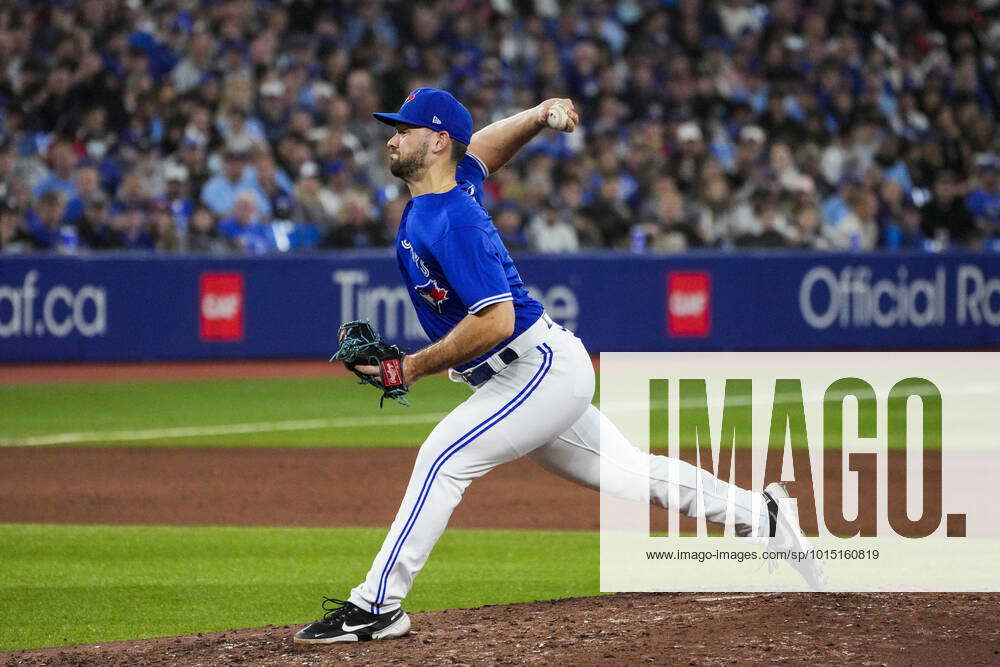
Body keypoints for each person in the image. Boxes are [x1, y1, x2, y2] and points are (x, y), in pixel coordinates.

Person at [293, 89, 825, 645]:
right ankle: (763, 516)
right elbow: (487, 150)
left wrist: (412, 368)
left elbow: (496, 320)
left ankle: (377, 604)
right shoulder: (450, 187)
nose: (391, 137)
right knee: (629, 474)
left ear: (437, 141)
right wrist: (538, 115)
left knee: (441, 460)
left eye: (404, 129)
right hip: (531, 371)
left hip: (533, 368)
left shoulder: (452, 219)